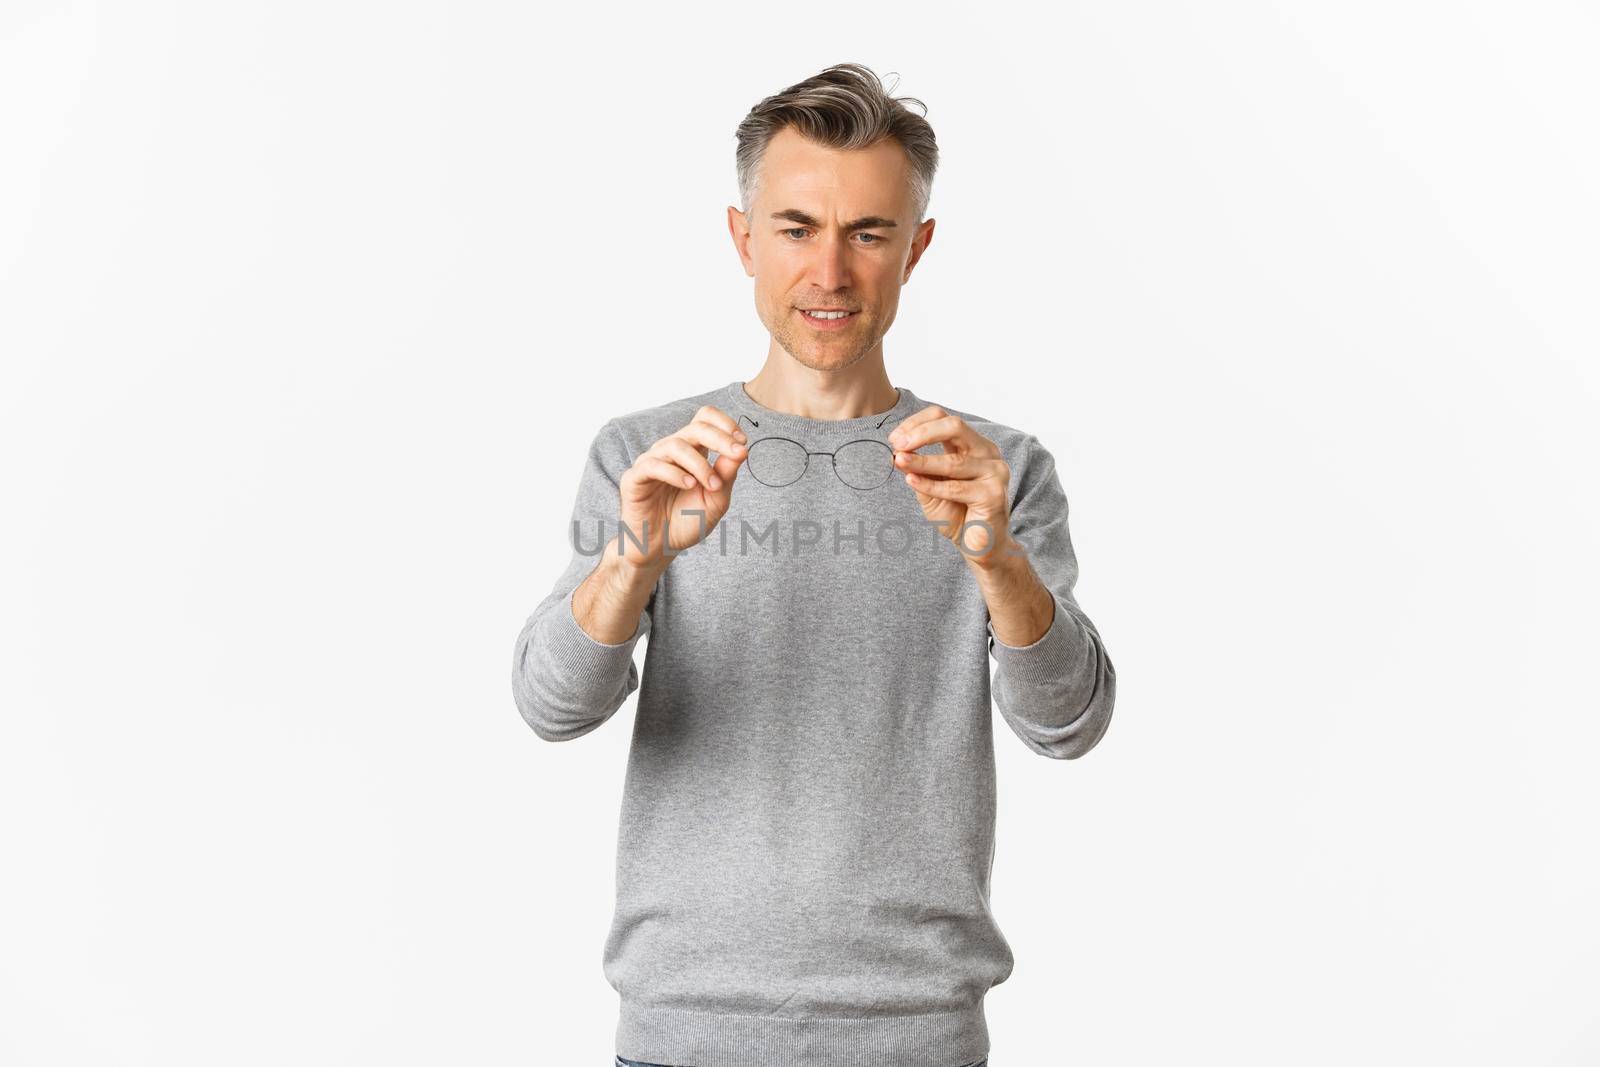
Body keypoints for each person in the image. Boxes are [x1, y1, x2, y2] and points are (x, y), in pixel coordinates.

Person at [512, 62, 1115, 1067]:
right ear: (744, 239)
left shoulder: (991, 472)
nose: (828, 274)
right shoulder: (648, 458)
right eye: (796, 229)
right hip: (682, 1028)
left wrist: (998, 562)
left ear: (915, 249)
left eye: (867, 234)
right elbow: (550, 705)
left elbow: (1069, 721)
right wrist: (635, 559)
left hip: (915, 1030)